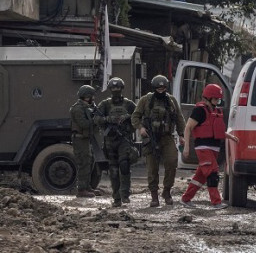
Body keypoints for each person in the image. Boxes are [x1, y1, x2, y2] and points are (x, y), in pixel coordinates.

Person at [180, 84, 238, 209]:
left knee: (200, 177)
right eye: (216, 99)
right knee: (212, 173)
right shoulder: (199, 111)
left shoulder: (217, 111)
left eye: (218, 99)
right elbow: (188, 127)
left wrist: (231, 137)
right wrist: (186, 147)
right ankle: (216, 202)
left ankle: (186, 199)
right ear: (208, 97)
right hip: (203, 147)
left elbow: (216, 131)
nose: (218, 101)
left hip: (214, 149)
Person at [131, 75, 186, 207]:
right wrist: (141, 128)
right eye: (158, 88)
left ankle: (166, 191)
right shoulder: (146, 100)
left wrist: (182, 134)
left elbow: (179, 118)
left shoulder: (171, 100)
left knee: (172, 161)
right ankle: (154, 196)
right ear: (154, 88)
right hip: (150, 137)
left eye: (163, 88)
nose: (161, 90)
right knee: (152, 167)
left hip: (167, 137)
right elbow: (135, 116)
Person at [95, 77, 137, 207]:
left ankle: (125, 194)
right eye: (113, 88)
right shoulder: (105, 104)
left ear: (122, 88)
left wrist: (128, 117)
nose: (116, 90)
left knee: (124, 165)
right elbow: (96, 119)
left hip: (124, 139)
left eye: (118, 88)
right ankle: (116, 197)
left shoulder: (129, 104)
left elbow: (138, 116)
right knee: (113, 169)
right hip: (110, 140)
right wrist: (109, 119)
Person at [70, 84, 101, 198]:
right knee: (83, 162)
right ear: (87, 96)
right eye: (91, 96)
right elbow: (83, 124)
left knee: (90, 161)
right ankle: (81, 189)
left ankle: (87, 187)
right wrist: (95, 120)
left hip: (86, 138)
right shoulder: (77, 109)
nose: (93, 98)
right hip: (80, 139)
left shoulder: (87, 107)